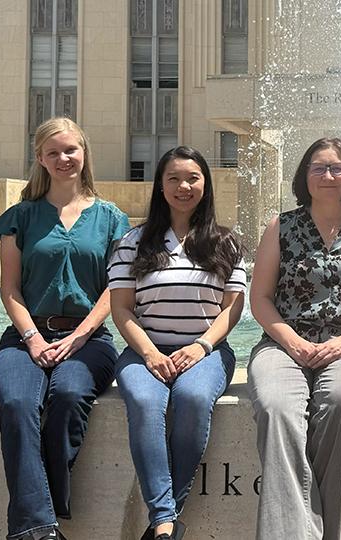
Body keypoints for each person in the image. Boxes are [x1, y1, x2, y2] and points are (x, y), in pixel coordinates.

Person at [0, 117, 130, 540]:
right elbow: (9, 288)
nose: (64, 158)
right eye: (54, 152)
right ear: (40, 159)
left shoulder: (111, 218)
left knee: (67, 394)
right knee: (16, 402)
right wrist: (32, 338)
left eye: (71, 150)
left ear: (84, 153)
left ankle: (33, 522)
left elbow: (115, 290)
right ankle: (40, 528)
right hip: (24, 337)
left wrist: (79, 335)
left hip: (90, 341)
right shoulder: (20, 217)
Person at [247, 137, 341, 540]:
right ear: (304, 175)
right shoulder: (281, 227)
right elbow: (258, 299)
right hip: (283, 344)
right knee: (277, 407)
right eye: (318, 167)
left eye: (337, 168)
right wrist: (291, 341)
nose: (328, 175)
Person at [108, 146, 246, 540]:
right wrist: (150, 354)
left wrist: (201, 347)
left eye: (192, 178)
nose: (183, 186)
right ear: (160, 186)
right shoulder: (133, 242)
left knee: (193, 399)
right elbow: (122, 310)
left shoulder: (226, 243)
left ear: (206, 184)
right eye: (173, 178)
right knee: (147, 401)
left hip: (207, 351)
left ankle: (162, 520)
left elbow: (231, 310)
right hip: (143, 351)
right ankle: (166, 523)